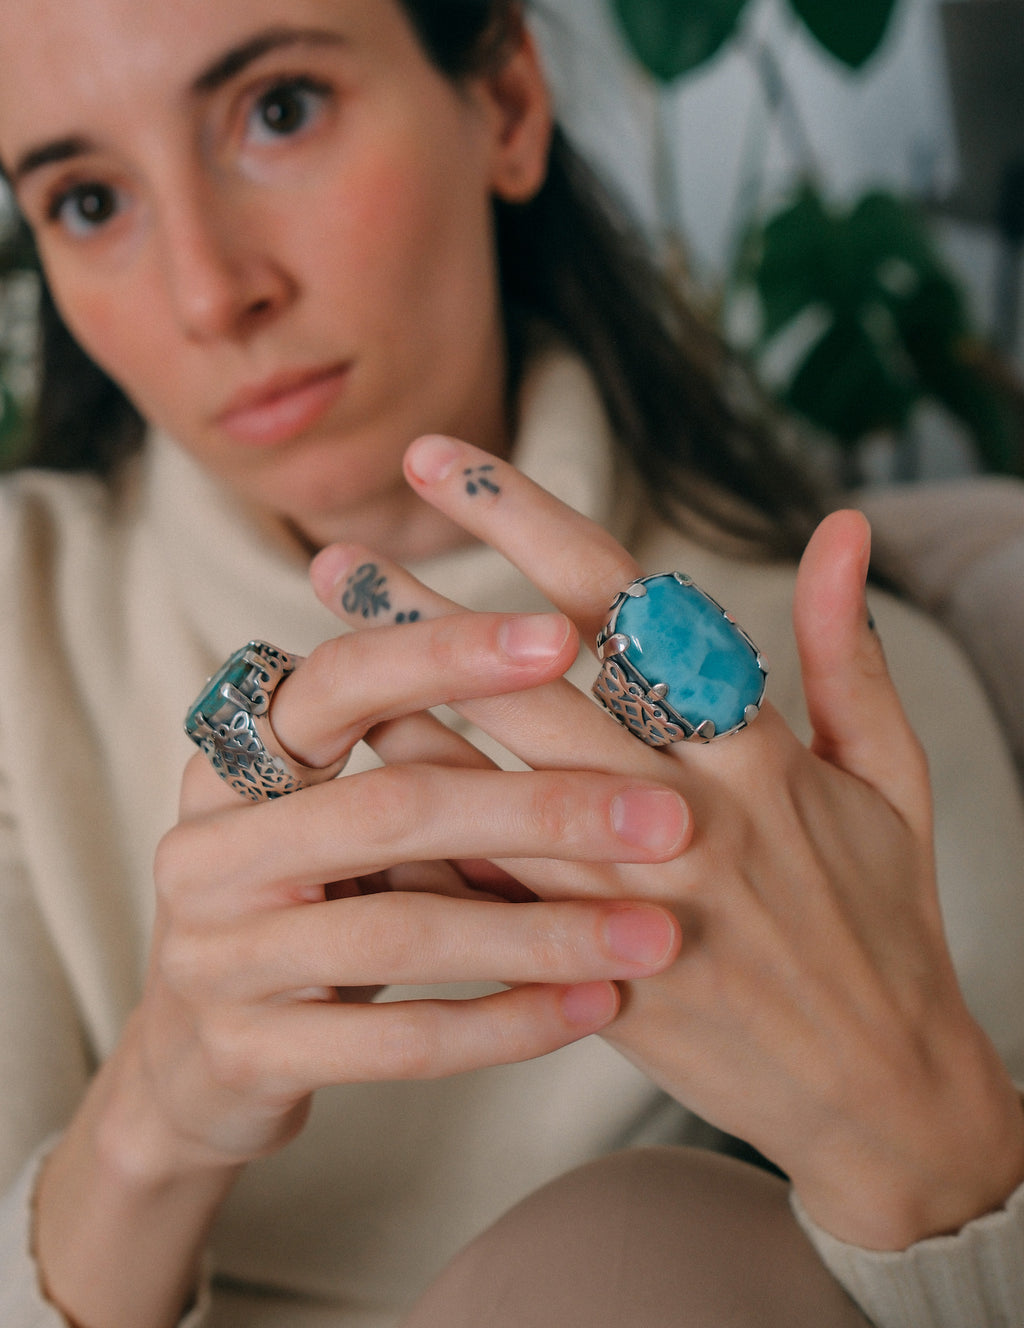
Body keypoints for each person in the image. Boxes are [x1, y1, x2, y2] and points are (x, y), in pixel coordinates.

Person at [0, 2, 1021, 1326]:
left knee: (627, 1247)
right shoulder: (18, 631)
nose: (210, 291)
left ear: (507, 107)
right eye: (87, 200)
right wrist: (155, 1116)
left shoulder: (842, 721)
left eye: (280, 111)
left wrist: (929, 1148)